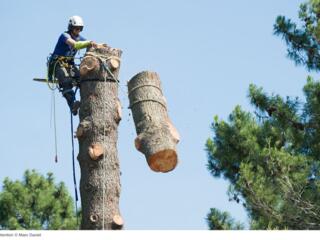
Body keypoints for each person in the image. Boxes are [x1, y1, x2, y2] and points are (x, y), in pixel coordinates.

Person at [48, 16, 98, 115]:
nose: (78, 30)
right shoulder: (65, 36)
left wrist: (96, 45)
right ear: (71, 27)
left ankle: (89, 100)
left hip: (69, 64)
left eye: (80, 29)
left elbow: (89, 44)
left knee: (82, 79)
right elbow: (75, 45)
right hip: (58, 64)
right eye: (76, 28)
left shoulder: (79, 38)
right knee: (66, 81)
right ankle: (73, 105)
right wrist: (88, 43)